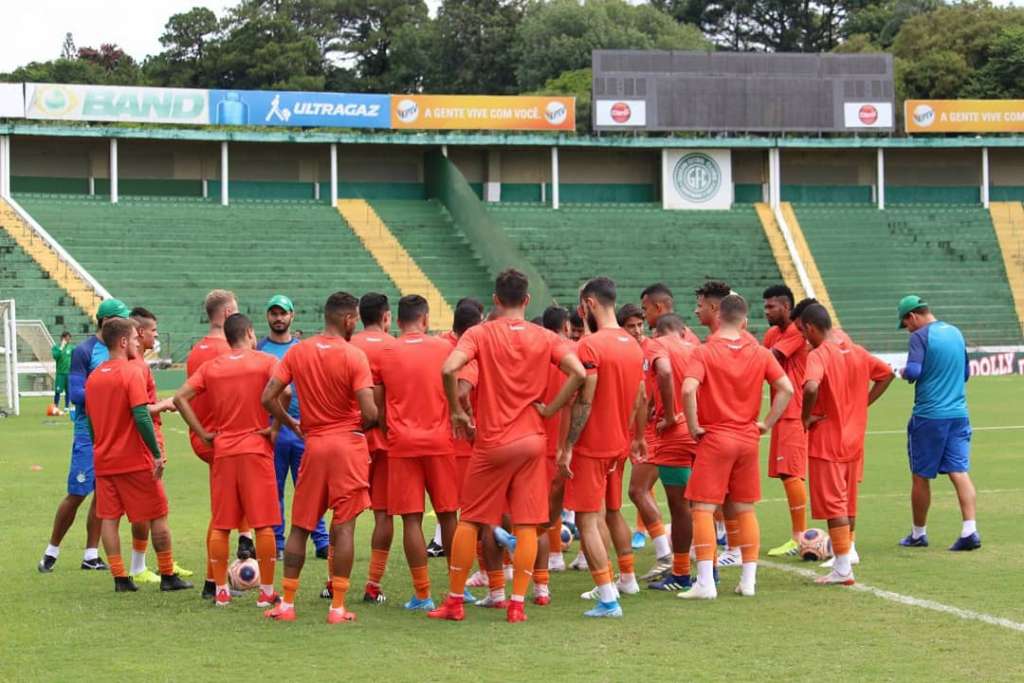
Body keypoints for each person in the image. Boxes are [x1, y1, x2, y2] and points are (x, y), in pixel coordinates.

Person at [428, 269, 585, 624]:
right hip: (531, 439)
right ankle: (517, 604)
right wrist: (551, 408)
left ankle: (455, 602)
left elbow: (449, 367)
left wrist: (456, 411)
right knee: (527, 525)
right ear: (527, 300)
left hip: (494, 440)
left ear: (496, 299)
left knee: (470, 519)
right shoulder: (544, 336)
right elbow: (578, 371)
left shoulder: (480, 333)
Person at [261, 292, 378, 624]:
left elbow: (268, 397)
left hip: (314, 443)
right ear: (349, 319)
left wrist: (292, 424)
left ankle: (286, 603)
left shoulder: (299, 351)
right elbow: (369, 410)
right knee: (343, 525)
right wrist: (364, 421)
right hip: (347, 446)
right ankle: (337, 606)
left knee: (300, 525)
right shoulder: (354, 356)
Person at [680, 294, 792, 600]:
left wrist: (692, 426)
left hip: (715, 437)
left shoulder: (705, 351)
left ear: (719, 318)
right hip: (747, 438)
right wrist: (766, 423)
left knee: (702, 508)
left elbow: (689, 388)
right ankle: (748, 581)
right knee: (745, 508)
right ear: (744, 321)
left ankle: (705, 582)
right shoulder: (759, 352)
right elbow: (786, 388)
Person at [175, 313, 280, 606]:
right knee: (263, 524)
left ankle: (221, 591)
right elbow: (286, 389)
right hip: (255, 449)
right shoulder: (265, 361)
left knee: (221, 524)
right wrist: (274, 426)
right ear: (248, 332)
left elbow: (181, 398)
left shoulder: (212, 367)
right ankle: (267, 592)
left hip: (223, 450)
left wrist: (203, 433)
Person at [85, 317, 191, 593]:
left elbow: (90, 422)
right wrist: (155, 453)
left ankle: (121, 579)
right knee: (158, 514)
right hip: (133, 458)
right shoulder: (131, 372)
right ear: (123, 342)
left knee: (109, 518)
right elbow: (141, 415)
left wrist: (101, 446)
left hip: (104, 460)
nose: (137, 343)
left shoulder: (95, 375)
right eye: (134, 339)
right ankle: (167, 574)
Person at [566, 277, 646, 619]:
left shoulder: (590, 346)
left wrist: (568, 444)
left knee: (587, 519)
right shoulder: (633, 344)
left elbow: (583, 402)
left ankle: (609, 597)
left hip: (592, 445)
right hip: (618, 443)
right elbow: (640, 398)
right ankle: (618, 580)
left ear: (589, 304)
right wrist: (630, 433)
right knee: (603, 513)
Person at [376, 295, 460, 612]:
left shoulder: (387, 352)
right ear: (424, 319)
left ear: (397, 322)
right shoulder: (444, 348)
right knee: (448, 514)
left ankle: (423, 594)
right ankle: (455, 590)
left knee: (411, 520)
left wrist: (389, 432)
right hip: (439, 441)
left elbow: (379, 403)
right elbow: (457, 389)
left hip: (402, 443)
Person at [800, 304, 893, 585]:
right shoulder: (857, 351)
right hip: (854, 440)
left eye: (804, 332)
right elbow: (887, 374)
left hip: (828, 439)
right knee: (848, 502)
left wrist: (806, 417)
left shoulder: (819, 355)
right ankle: (847, 554)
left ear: (811, 328)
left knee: (835, 505)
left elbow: (811, 387)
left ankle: (842, 569)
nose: (804, 338)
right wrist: (862, 403)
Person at [37, 298, 130, 574]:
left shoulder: (124, 350)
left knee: (103, 494)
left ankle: (91, 554)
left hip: (114, 431)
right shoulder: (84, 351)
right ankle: (51, 550)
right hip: (88, 431)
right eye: (121, 319)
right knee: (77, 492)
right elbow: (76, 394)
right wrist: (110, 393)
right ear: (107, 321)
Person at [896, 295, 980, 551]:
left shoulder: (919, 337)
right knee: (958, 471)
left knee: (921, 475)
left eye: (906, 323)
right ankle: (970, 530)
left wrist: (903, 372)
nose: (907, 329)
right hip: (958, 414)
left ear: (913, 316)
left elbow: (914, 371)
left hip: (929, 416)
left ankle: (918, 533)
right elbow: (965, 373)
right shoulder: (955, 332)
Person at [185, 289, 254, 599]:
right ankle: (213, 581)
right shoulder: (227, 351)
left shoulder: (196, 350)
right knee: (223, 514)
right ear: (228, 315)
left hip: (204, 436)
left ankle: (240, 544)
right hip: (224, 439)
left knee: (232, 505)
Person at [256, 295, 329, 561]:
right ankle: (277, 542)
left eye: (282, 313)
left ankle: (321, 541)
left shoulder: (304, 348)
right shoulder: (258, 348)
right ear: (267, 316)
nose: (278, 318)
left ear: (292, 316)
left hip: (303, 428)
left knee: (309, 488)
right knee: (272, 489)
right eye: (273, 313)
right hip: (271, 428)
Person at [126, 307, 190, 584]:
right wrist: (164, 404)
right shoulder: (136, 366)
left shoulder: (135, 363)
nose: (156, 335)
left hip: (140, 442)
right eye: (153, 330)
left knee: (145, 507)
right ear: (140, 333)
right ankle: (163, 571)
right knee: (157, 508)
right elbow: (138, 409)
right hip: (145, 443)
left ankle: (139, 566)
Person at [618, 301, 672, 578]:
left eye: (640, 325)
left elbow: (662, 377)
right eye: (631, 326)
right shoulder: (627, 349)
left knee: (637, 490)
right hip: (641, 429)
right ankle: (694, 558)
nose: (638, 330)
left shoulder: (650, 348)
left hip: (651, 432)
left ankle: (666, 554)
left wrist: (663, 409)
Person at [646, 314, 699, 592]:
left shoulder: (657, 345)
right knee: (701, 507)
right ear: (682, 331)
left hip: (675, 437)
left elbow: (665, 372)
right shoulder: (695, 347)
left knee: (680, 508)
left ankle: (680, 574)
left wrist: (668, 414)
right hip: (698, 431)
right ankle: (709, 570)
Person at [349, 292, 397, 604]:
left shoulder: (348, 347)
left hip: (351, 437)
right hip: (386, 438)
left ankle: (331, 580)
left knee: (345, 513)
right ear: (386, 316)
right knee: (384, 513)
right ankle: (372, 585)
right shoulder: (394, 347)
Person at [761, 285, 812, 558]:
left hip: (794, 411)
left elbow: (769, 359)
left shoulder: (795, 333)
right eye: (765, 306)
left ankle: (799, 537)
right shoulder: (772, 333)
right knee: (785, 473)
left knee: (792, 472)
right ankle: (799, 536)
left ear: (787, 307)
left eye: (771, 307)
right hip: (780, 412)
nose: (766, 311)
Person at [51, 331, 73, 414]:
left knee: (68, 391)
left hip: (69, 373)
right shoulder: (56, 347)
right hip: (60, 373)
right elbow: (56, 356)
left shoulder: (71, 347)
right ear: (62, 338)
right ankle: (56, 406)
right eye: (67, 338)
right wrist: (61, 347)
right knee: (57, 391)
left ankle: (67, 407)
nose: (68, 340)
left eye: (69, 339)